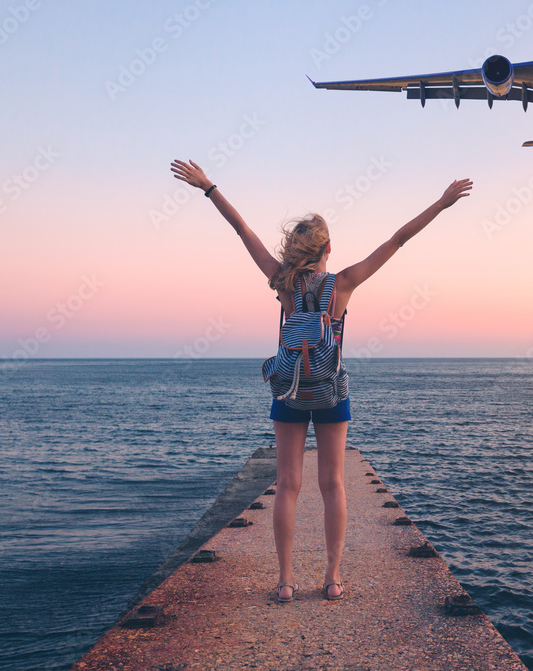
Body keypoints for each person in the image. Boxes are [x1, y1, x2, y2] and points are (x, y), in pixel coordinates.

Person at [170, 159, 472, 603]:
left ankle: (286, 582)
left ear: (294, 249)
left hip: (288, 392)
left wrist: (209, 187)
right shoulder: (343, 283)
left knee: (287, 483)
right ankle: (331, 579)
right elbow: (398, 240)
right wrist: (441, 204)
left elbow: (242, 231)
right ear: (327, 246)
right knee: (332, 484)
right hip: (331, 392)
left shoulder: (282, 283)